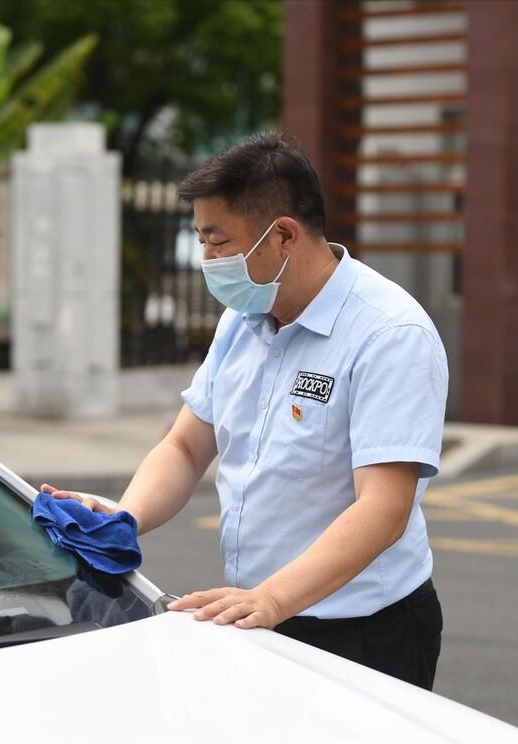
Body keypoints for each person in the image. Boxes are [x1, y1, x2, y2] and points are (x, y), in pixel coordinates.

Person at [42, 133, 448, 689]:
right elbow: (185, 447)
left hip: (362, 630)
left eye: (218, 242)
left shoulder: (389, 333)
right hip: (262, 618)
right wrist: (123, 518)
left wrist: (273, 597)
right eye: (200, 241)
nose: (206, 261)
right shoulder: (244, 319)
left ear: (282, 235)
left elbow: (383, 507)